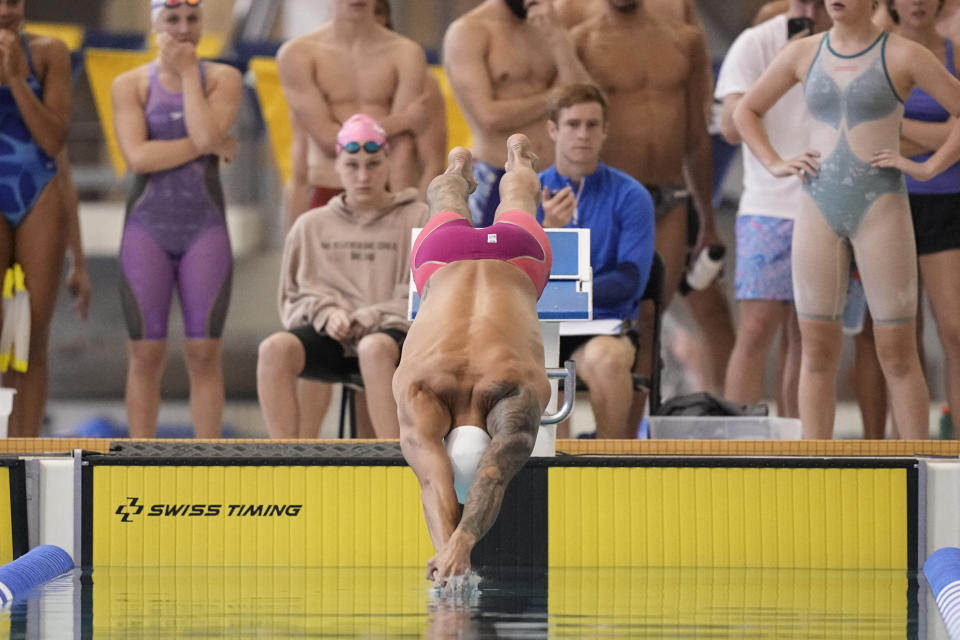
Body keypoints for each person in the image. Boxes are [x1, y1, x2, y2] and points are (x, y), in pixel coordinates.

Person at [734, 0, 960, 438]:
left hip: (882, 209)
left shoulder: (903, 54)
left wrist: (931, 167)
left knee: (897, 351)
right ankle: (815, 469)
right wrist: (775, 162)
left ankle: (916, 470)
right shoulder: (803, 52)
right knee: (817, 351)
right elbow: (746, 110)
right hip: (818, 207)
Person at [395, 135, 552, 586]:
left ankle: (509, 158)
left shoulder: (510, 386)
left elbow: (438, 480)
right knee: (443, 201)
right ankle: (469, 168)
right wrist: (457, 548)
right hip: (443, 258)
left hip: (516, 259)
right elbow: (492, 475)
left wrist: (453, 556)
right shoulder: (424, 389)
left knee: (520, 196)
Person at [112, 0, 242, 438]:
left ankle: (208, 460)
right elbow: (138, 157)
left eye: (192, 19)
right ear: (155, 25)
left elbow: (206, 134)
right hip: (146, 228)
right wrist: (213, 144)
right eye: (172, 20)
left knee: (204, 353)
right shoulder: (129, 84)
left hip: (203, 229)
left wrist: (189, 74)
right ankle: (137, 461)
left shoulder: (224, 78)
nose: (183, 30)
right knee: (145, 355)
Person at [258, 114, 428, 439]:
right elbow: (293, 298)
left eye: (374, 164)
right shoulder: (311, 226)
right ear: (337, 166)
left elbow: (430, 293)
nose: (363, 175)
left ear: (388, 163)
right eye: (353, 165)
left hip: (395, 338)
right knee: (274, 349)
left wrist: (374, 315)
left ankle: (399, 463)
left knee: (373, 348)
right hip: (333, 337)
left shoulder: (418, 218)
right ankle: (283, 463)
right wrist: (328, 314)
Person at [716, 0, 830, 417]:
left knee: (809, 337)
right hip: (769, 205)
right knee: (755, 330)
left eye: (820, 3)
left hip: (830, 206)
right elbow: (730, 128)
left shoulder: (851, 43)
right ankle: (737, 448)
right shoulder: (757, 42)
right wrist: (783, 67)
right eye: (803, 2)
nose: (812, 9)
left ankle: (798, 441)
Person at [537, 84, 654, 438]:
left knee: (607, 359)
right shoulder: (525, 192)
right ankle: (545, 471)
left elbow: (628, 280)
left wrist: (569, 296)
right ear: (553, 129)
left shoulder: (631, 195)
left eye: (592, 125)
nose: (583, 135)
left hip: (602, 325)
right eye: (573, 124)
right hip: (538, 329)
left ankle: (609, 461)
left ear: (605, 131)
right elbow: (508, 276)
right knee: (523, 363)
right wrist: (546, 231)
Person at [443, 0, 591, 228]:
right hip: (498, 177)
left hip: (555, 178)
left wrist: (557, 37)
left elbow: (582, 100)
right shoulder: (469, 32)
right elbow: (489, 116)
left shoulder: (550, 27)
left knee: (562, 261)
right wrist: (557, 97)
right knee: (494, 262)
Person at [277, 0, 428, 217]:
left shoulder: (406, 53)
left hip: (389, 192)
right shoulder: (298, 54)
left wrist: (405, 215)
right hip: (328, 190)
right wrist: (403, 120)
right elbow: (328, 140)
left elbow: (401, 148)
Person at [886, 0, 960, 438]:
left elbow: (889, 132)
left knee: (954, 330)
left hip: (947, 199)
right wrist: (942, 137)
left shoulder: (954, 52)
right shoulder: (882, 53)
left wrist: (902, 128)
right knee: (900, 338)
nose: (918, 2)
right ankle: (903, 446)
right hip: (891, 201)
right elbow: (871, 135)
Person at [0, 0, 71, 436]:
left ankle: (24, 454)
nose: (7, 10)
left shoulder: (50, 52)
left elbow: (52, 140)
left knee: (32, 339)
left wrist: (14, 80)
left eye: (15, 1)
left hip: (37, 190)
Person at [373, 0, 447, 197]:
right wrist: (403, 121)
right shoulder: (332, 72)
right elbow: (331, 140)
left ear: (384, 19)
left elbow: (433, 163)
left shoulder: (422, 81)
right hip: (340, 192)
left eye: (375, 12)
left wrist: (420, 214)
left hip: (399, 197)